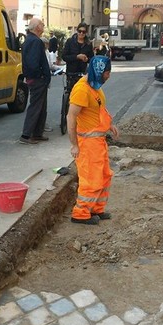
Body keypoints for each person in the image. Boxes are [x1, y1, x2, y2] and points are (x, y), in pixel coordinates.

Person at [66, 56, 119, 225]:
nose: (108, 76)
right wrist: (74, 144)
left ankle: (96, 209)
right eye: (107, 73)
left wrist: (109, 125)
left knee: (103, 176)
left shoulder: (95, 87)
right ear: (98, 71)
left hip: (98, 142)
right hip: (88, 144)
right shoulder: (82, 90)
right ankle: (80, 214)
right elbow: (71, 117)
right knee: (91, 179)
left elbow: (98, 109)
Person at [19, 18, 51, 144]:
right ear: (37, 27)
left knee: (41, 107)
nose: (43, 26)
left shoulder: (30, 40)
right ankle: (26, 135)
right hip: (37, 79)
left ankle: (37, 133)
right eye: (42, 25)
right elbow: (33, 63)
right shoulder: (35, 41)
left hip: (35, 78)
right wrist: (41, 76)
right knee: (36, 106)